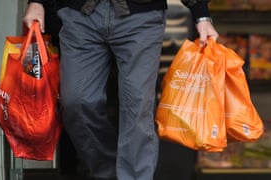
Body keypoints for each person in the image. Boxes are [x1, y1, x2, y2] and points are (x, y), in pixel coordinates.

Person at [23, 0, 218, 179]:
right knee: (76, 102)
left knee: (138, 105)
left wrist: (200, 13)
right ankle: (108, 172)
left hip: (141, 16)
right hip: (80, 15)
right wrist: (37, 2)